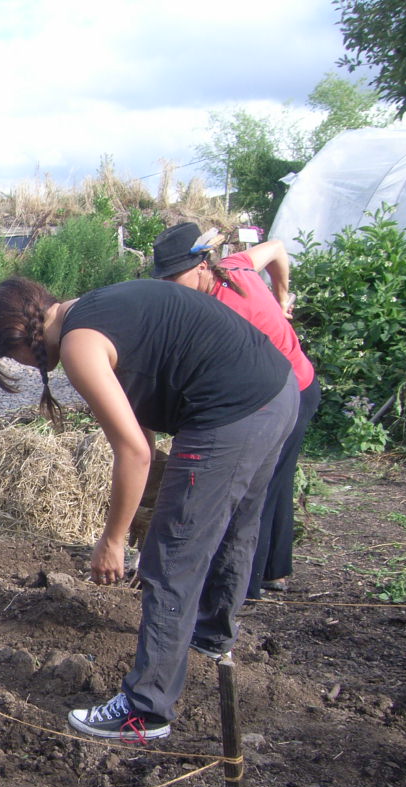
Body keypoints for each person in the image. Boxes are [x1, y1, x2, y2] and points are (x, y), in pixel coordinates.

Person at [0, 278, 298, 741]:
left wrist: (113, 540)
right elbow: (141, 432)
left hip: (229, 411)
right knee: (235, 525)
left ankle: (145, 710)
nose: (25, 367)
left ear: (18, 340)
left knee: (172, 556)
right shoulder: (97, 306)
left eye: (14, 360)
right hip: (276, 390)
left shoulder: (78, 345)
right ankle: (210, 636)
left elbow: (134, 453)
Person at [151, 223, 321, 599]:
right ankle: (272, 571)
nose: (168, 286)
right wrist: (282, 294)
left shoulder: (222, 316)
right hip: (299, 384)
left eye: (172, 277)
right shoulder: (237, 266)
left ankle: (245, 584)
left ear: (199, 266)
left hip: (286, 392)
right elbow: (276, 247)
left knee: (254, 489)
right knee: (277, 480)